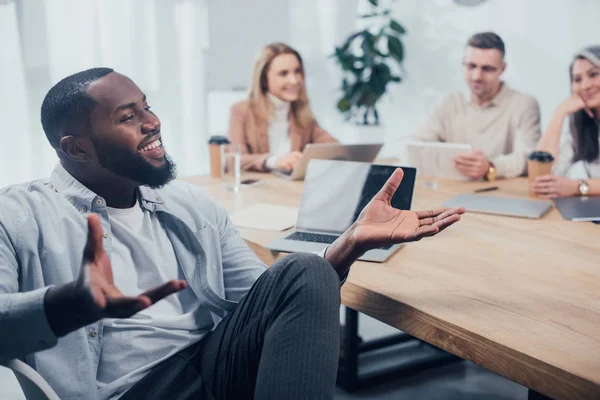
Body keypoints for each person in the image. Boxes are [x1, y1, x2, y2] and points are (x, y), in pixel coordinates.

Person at [0, 67, 465, 400]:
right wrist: (68, 304)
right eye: (127, 117)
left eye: (148, 106)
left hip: (210, 363)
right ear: (76, 147)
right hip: (133, 389)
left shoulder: (190, 203)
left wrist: (346, 247)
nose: (153, 121)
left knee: (305, 269)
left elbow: (262, 299)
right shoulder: (17, 215)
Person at [410, 32, 541, 181]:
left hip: (500, 193)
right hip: (452, 190)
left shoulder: (524, 104)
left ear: (502, 68)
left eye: (487, 68)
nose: (477, 76)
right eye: (471, 66)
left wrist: (491, 166)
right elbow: (416, 142)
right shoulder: (450, 102)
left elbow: (528, 157)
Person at [228, 42, 337, 172]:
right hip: (260, 190)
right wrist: (274, 161)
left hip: (290, 189)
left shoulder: (302, 112)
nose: (294, 80)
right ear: (263, 79)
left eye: (297, 71)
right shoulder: (241, 111)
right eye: (283, 74)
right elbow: (233, 161)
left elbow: (332, 147)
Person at [532, 46, 600, 198]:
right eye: (577, 79)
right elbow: (542, 174)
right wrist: (559, 114)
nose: (585, 86)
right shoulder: (583, 126)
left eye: (593, 74)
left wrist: (578, 186)